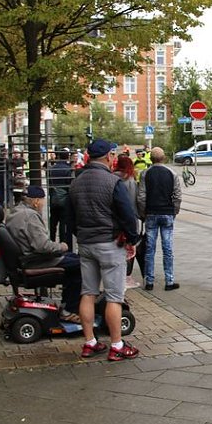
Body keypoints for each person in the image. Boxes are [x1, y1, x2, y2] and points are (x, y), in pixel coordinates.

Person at [69, 139, 140, 361]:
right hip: (110, 245)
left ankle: (90, 342)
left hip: (86, 244)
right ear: (109, 157)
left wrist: (80, 236)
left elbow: (69, 219)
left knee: (88, 293)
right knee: (114, 296)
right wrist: (132, 239)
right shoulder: (112, 182)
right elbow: (128, 215)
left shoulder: (76, 182)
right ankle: (117, 345)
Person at [7, 185, 82, 322]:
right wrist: (61, 246)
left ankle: (67, 302)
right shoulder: (30, 216)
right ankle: (69, 309)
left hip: (25, 257)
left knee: (73, 259)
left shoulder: (15, 211)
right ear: (36, 201)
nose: (43, 203)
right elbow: (42, 246)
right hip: (36, 260)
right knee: (81, 265)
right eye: (42, 200)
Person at [136, 147, 182, 291]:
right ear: (164, 158)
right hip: (167, 213)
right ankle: (169, 281)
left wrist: (143, 213)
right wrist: (174, 211)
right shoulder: (172, 173)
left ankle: (149, 281)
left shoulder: (145, 174)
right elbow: (177, 196)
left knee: (150, 249)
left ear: (151, 159)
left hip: (151, 214)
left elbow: (141, 197)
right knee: (167, 248)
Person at [113, 153, 143, 289]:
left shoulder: (112, 177)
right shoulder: (130, 180)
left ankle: (118, 276)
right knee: (130, 248)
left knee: (117, 247)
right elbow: (133, 202)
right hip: (129, 218)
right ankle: (126, 277)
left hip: (114, 220)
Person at [48, 148, 74, 248]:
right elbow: (70, 185)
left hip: (54, 199)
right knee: (63, 224)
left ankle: (52, 242)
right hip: (65, 200)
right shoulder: (69, 169)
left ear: (58, 156)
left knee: (53, 222)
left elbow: (50, 185)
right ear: (67, 157)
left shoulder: (51, 169)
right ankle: (63, 244)